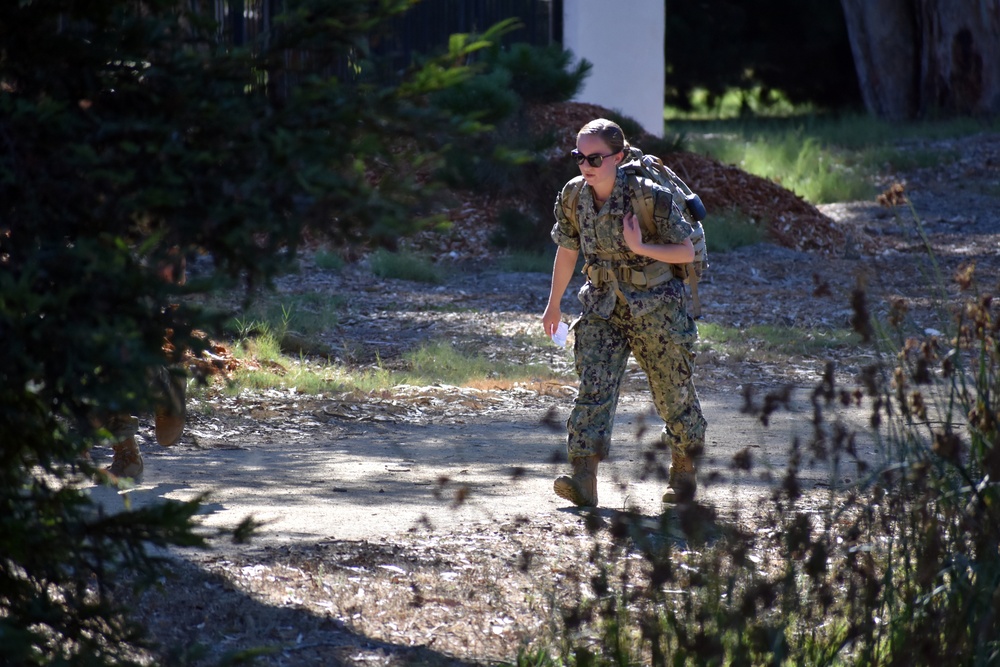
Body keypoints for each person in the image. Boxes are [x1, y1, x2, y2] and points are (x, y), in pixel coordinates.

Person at [541, 118, 707, 507]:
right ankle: (584, 478)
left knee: (673, 393)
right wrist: (553, 303)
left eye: (595, 158)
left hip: (658, 308)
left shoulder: (648, 197)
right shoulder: (573, 196)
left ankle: (683, 471)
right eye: (578, 157)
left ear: (619, 156)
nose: (586, 165)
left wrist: (641, 246)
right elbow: (567, 249)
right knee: (593, 388)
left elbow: (686, 252)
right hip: (601, 305)